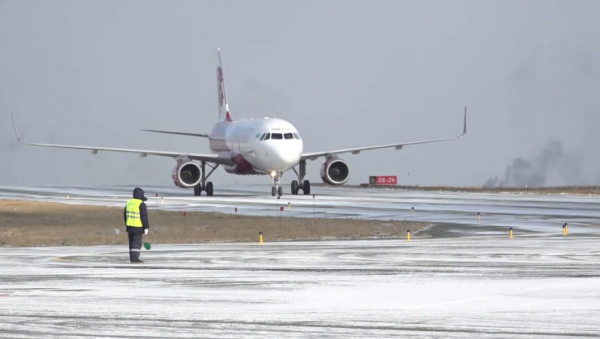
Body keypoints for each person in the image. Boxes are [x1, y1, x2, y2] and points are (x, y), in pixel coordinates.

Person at [124, 187, 149, 263]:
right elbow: (144, 216)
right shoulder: (141, 204)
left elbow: (125, 215)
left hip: (129, 227)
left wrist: (127, 223)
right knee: (136, 243)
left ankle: (132, 258)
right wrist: (146, 227)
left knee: (131, 243)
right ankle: (135, 259)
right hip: (138, 227)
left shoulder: (128, 203)